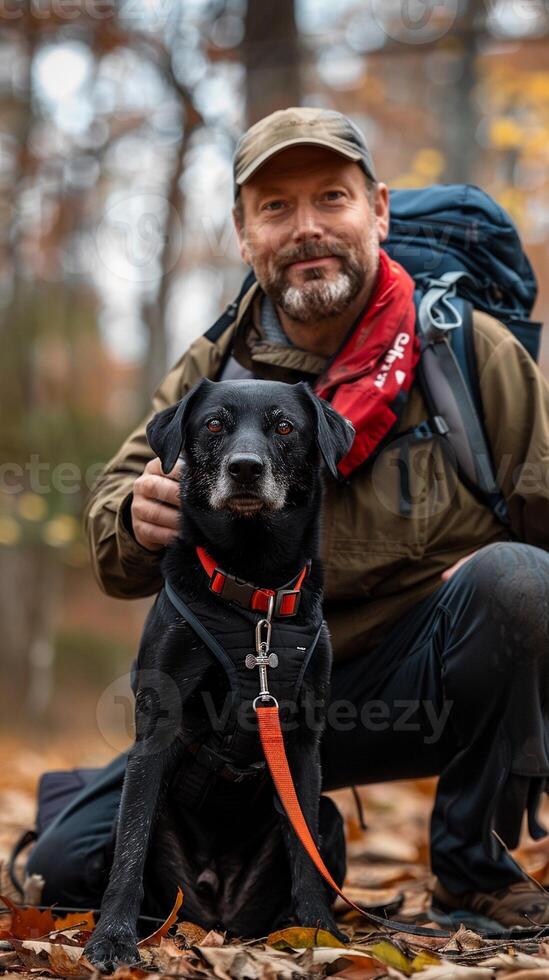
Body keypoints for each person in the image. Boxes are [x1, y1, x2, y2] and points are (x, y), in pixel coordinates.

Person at [28, 107, 549, 933]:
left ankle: (472, 868)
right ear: (243, 233)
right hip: (232, 696)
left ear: (377, 209)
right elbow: (114, 539)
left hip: (410, 687)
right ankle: (104, 814)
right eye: (274, 207)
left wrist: (503, 561)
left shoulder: (472, 355)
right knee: (63, 868)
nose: (306, 228)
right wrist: (137, 514)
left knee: (517, 580)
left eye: (330, 198)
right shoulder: (213, 369)